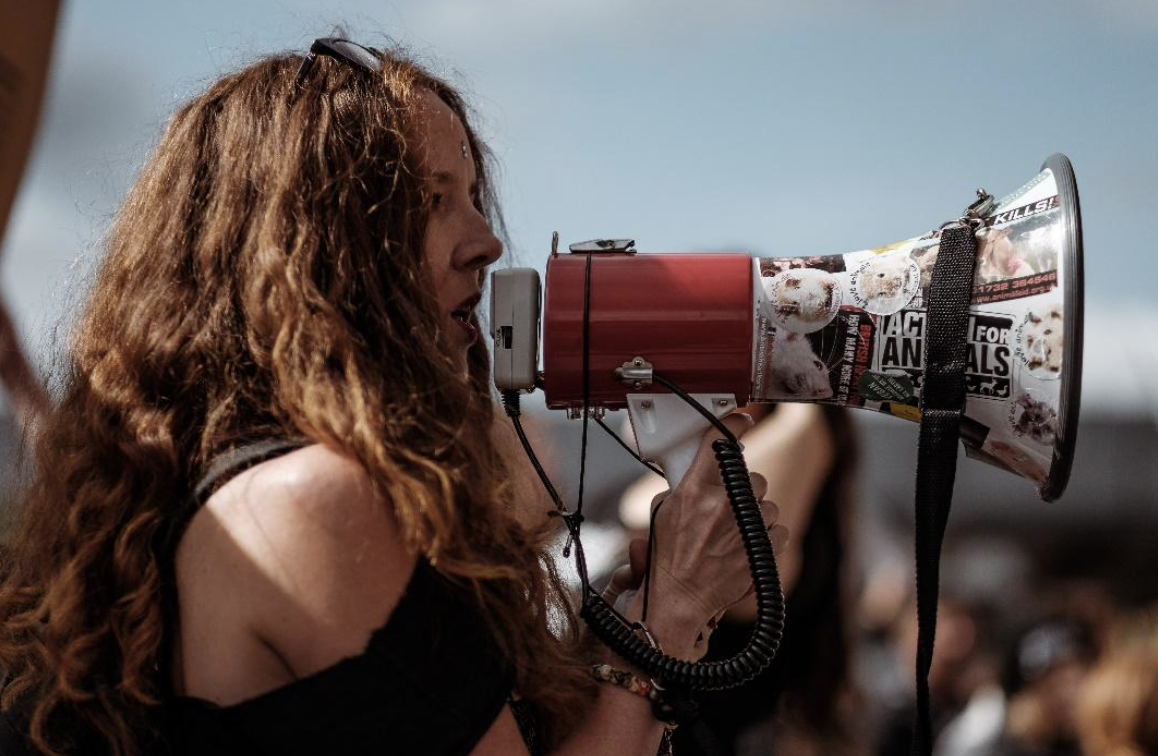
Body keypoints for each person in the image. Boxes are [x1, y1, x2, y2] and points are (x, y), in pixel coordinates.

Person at [0, 37, 787, 756]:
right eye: (430, 198)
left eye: (473, 194)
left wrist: (616, 645)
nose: (486, 241)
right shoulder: (314, 503)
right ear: (309, 250)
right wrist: (674, 615)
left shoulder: (224, 486)